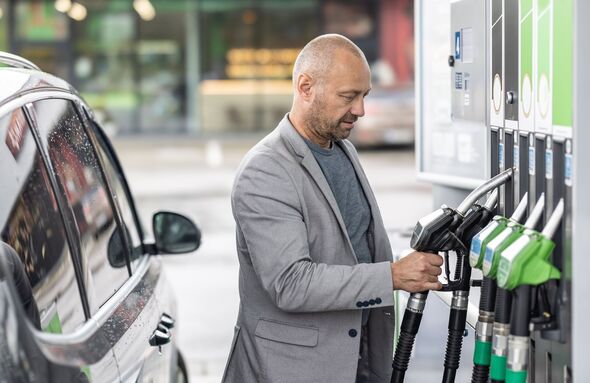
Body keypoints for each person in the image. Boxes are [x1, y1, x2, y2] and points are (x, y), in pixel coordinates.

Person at [222, 34, 443, 383]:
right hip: (292, 371)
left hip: (360, 363)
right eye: (348, 96)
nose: (360, 110)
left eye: (364, 96)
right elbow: (290, 283)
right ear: (306, 87)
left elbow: (354, 247)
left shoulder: (343, 151)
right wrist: (393, 275)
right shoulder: (265, 170)